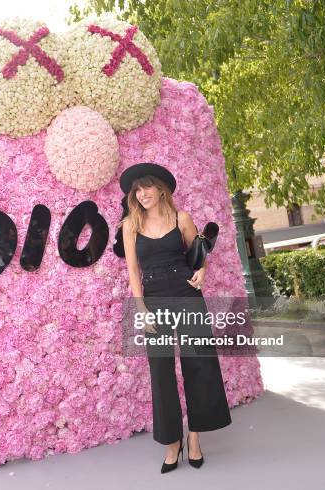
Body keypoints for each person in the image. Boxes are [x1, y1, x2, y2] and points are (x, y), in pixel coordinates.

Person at [119, 162, 232, 473]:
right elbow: (132, 271)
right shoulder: (130, 225)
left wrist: (202, 274)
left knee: (199, 363)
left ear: (161, 189)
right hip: (154, 300)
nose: (142, 194)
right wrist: (141, 310)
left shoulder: (181, 218)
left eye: (147, 187)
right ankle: (173, 442)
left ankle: (194, 437)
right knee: (161, 371)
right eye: (137, 190)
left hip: (186, 295)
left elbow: (199, 255)